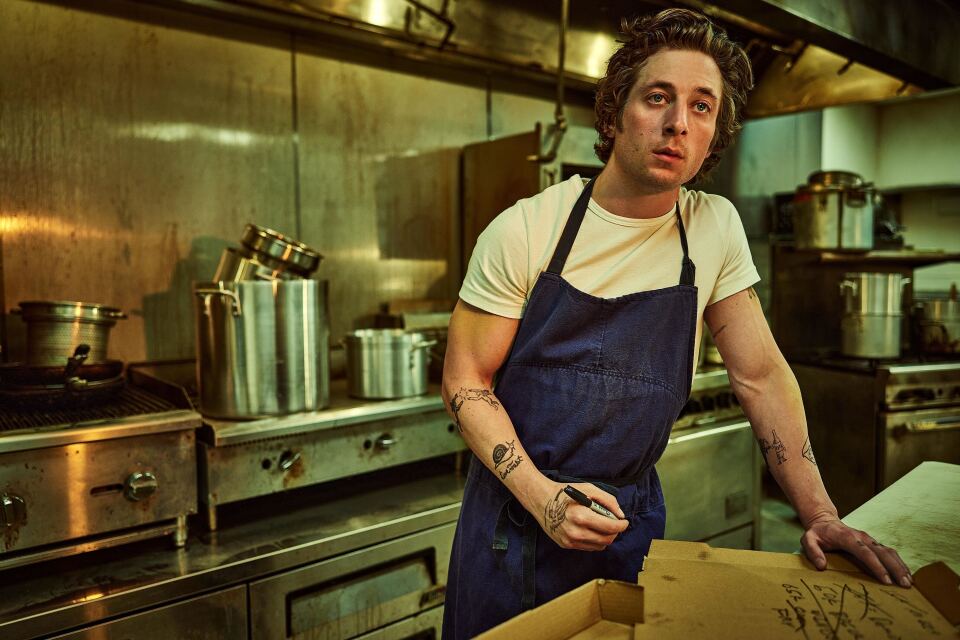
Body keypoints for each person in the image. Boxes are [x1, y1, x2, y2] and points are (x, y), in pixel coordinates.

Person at [440, 8, 912, 639]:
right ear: (613, 114)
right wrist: (543, 499)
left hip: (630, 530)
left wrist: (822, 514)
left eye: (701, 106)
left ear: (714, 133)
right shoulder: (528, 228)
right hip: (515, 526)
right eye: (657, 98)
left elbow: (761, 376)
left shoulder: (712, 228)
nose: (676, 125)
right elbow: (466, 382)